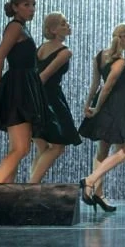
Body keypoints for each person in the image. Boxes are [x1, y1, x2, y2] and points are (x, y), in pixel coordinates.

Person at [0, 0, 52, 183]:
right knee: (21, 148)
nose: (32, 9)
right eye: (26, 5)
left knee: (18, 148)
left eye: (33, 4)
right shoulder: (15, 27)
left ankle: (4, 191)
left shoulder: (22, 27)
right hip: (17, 89)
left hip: (24, 88)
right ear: (15, 7)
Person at [78, 23, 125, 212]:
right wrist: (95, 108)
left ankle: (97, 193)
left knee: (102, 150)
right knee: (123, 153)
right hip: (116, 108)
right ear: (123, 37)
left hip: (103, 106)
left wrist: (88, 103)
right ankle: (89, 180)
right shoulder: (120, 61)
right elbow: (107, 87)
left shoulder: (99, 56)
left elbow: (95, 84)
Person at [30, 12, 82, 183]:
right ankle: (31, 186)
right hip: (50, 99)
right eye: (62, 23)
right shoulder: (65, 52)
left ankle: (30, 186)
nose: (67, 25)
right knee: (58, 146)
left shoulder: (41, 48)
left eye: (67, 22)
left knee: (43, 148)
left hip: (34, 98)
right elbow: (44, 77)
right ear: (53, 30)